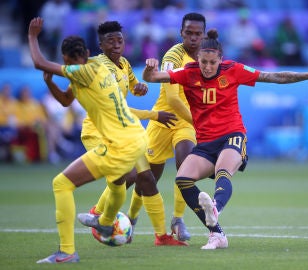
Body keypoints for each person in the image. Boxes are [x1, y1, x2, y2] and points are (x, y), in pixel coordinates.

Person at [142, 29, 308, 249]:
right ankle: (217, 234)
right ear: (198, 59)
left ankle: (215, 208)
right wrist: (149, 69)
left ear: (220, 59)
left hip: (232, 135)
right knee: (182, 179)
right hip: (205, 143)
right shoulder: (188, 72)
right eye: (203, 62)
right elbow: (152, 78)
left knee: (224, 171)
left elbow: (273, 77)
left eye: (212, 62)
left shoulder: (234, 70)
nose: (207, 67)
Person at [42, 21, 187, 247]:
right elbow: (115, 106)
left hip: (124, 131)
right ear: (100, 45)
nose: (117, 45)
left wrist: (140, 87)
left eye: (120, 40)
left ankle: (162, 237)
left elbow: (131, 88)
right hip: (100, 131)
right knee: (127, 176)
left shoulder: (124, 64)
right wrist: (154, 114)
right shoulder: (97, 67)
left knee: (146, 178)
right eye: (111, 41)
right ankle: (99, 214)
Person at [28, 17, 148, 264]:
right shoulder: (98, 66)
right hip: (136, 137)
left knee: (61, 184)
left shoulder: (80, 71)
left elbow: (39, 62)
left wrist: (32, 36)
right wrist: (51, 83)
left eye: (66, 63)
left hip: (119, 145)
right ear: (90, 53)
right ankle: (104, 223)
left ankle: (67, 251)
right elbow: (65, 100)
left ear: (66, 60)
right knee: (117, 183)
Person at [135, 12, 206, 241]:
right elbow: (173, 99)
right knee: (148, 177)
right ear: (181, 33)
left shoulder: (206, 58)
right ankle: (131, 217)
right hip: (163, 118)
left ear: (203, 35)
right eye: (189, 33)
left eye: (198, 34)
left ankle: (177, 219)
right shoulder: (173, 56)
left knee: (186, 164)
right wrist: (200, 121)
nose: (193, 38)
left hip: (185, 123)